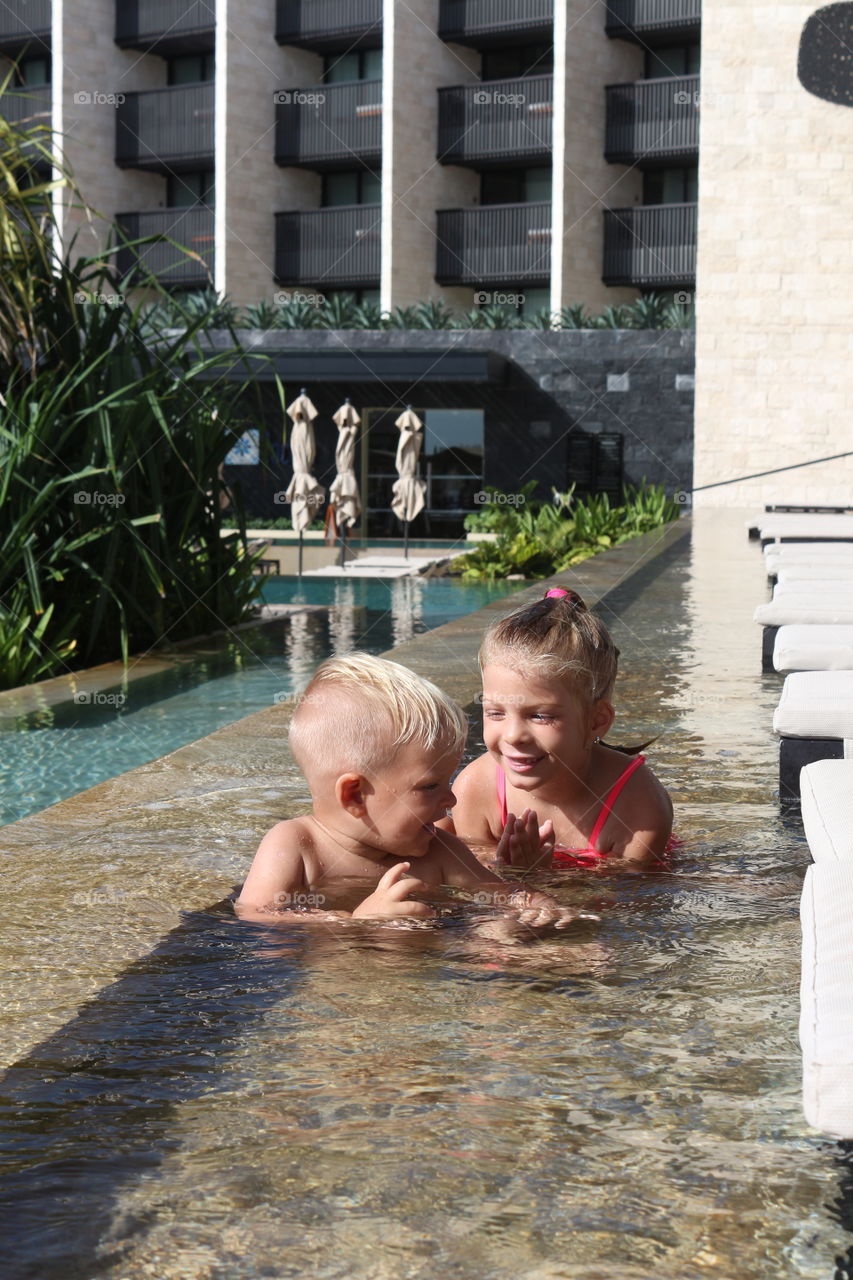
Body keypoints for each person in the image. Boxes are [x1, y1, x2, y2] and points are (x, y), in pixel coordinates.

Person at [236, 652, 597, 933]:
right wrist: (353, 922)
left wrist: (536, 899)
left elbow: (499, 893)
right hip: (337, 973)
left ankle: (539, 963)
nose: (451, 800)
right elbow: (258, 918)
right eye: (429, 786)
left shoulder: (439, 850)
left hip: (434, 957)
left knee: (495, 928)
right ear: (355, 796)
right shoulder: (296, 844)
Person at [438, 588, 674, 871]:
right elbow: (476, 892)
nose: (514, 735)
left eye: (539, 716)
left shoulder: (636, 806)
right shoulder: (477, 788)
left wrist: (536, 877)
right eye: (495, 713)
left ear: (596, 721)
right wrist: (516, 876)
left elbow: (624, 909)